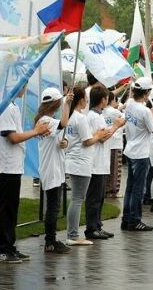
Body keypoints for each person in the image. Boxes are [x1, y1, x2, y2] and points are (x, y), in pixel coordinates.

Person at [0, 85, 51, 263]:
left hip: (13, 165)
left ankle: (9, 246)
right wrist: (36, 131)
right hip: (7, 166)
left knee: (11, 208)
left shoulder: (13, 106)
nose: (25, 88)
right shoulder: (7, 108)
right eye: (23, 84)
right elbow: (13, 137)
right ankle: (2, 249)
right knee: (7, 208)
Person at [65, 87, 114, 246]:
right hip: (81, 162)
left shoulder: (70, 117)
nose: (87, 100)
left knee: (77, 199)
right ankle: (73, 235)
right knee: (78, 199)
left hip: (75, 160)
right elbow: (87, 141)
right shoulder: (80, 118)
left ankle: (74, 233)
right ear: (80, 100)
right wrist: (99, 135)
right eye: (85, 97)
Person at [35, 87, 73, 254]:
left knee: (54, 206)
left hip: (56, 166)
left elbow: (59, 140)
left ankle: (51, 239)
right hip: (51, 168)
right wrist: (67, 103)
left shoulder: (49, 120)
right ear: (55, 104)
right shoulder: (45, 120)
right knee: (53, 207)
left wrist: (64, 143)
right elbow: (64, 123)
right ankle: (50, 241)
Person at [122, 77, 153, 231]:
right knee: (138, 189)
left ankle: (126, 219)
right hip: (141, 154)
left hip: (130, 150)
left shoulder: (129, 104)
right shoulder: (144, 111)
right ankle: (135, 220)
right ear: (146, 93)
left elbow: (131, 97)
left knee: (130, 187)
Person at [85, 86, 121, 240]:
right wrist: (116, 126)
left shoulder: (98, 115)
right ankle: (91, 228)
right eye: (106, 97)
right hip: (96, 163)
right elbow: (102, 136)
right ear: (102, 100)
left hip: (102, 161)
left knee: (100, 197)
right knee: (94, 197)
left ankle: (97, 224)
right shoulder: (93, 116)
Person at [103, 91, 126, 198]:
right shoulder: (114, 112)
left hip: (106, 142)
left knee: (108, 168)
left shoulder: (103, 111)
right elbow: (126, 118)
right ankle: (113, 190)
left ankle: (107, 189)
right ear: (112, 100)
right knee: (116, 169)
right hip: (115, 143)